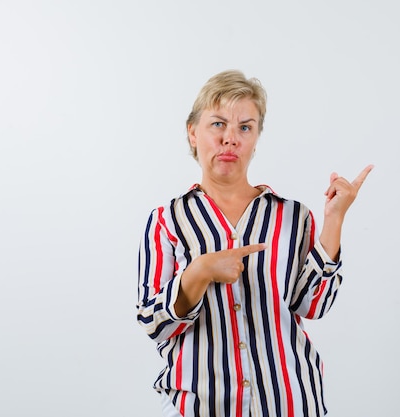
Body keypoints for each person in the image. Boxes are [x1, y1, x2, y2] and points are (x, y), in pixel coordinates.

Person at [136, 69, 373, 417]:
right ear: (192, 133)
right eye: (217, 124)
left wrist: (334, 219)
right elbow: (154, 323)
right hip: (199, 406)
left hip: (290, 402)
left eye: (245, 127)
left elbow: (314, 305)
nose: (230, 139)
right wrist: (199, 273)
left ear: (256, 138)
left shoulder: (293, 217)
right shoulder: (167, 221)